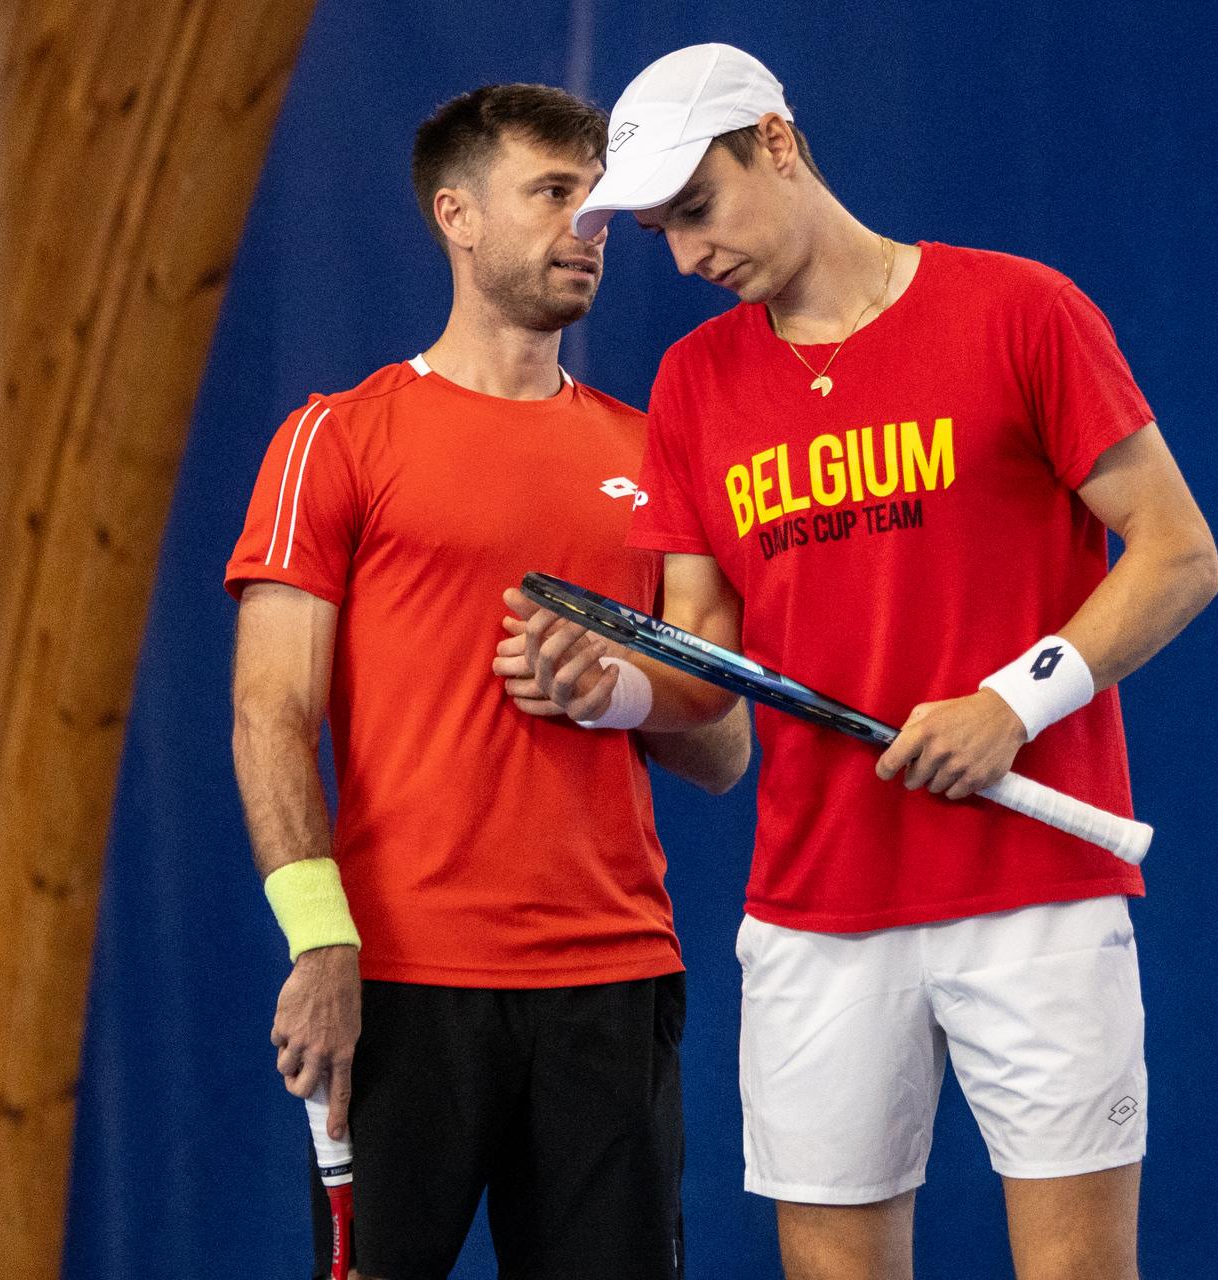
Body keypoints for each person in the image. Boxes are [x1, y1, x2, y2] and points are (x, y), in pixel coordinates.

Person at [513, 43, 1218, 1280]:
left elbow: (1176, 552)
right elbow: (704, 656)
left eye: (699, 208)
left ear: (777, 143)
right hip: (817, 906)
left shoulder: (1020, 311)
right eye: (661, 230)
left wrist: (1012, 702)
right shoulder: (694, 383)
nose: (686, 257)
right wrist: (612, 686)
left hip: (1039, 892)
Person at [225, 82, 749, 1280]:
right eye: (555, 195)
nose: (591, 230)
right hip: (401, 986)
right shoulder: (338, 437)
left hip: (613, 982)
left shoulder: (652, 452)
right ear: (456, 216)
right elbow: (270, 712)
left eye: (603, 205)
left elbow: (722, 748)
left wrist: (620, 684)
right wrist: (321, 946)